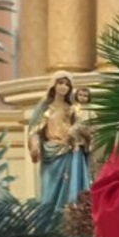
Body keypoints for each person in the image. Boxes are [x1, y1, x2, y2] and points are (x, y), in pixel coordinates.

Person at [27, 71, 92, 210]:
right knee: (48, 194)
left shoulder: (73, 109)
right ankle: (49, 220)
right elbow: (35, 131)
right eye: (60, 83)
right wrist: (35, 145)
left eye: (67, 84)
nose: (64, 87)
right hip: (51, 152)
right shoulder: (46, 109)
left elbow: (84, 129)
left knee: (71, 188)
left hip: (70, 152)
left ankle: (70, 218)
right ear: (54, 85)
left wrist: (79, 135)